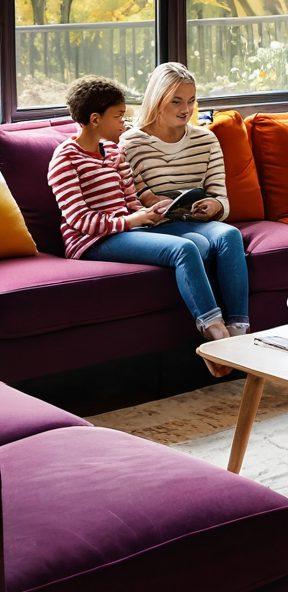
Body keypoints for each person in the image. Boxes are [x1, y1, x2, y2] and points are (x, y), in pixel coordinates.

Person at [48, 73, 246, 377]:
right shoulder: (65, 158)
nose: (124, 125)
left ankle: (238, 331)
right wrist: (133, 220)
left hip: (128, 228)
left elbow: (130, 199)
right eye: (118, 117)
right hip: (90, 242)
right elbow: (79, 220)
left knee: (207, 241)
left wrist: (151, 210)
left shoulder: (113, 151)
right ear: (94, 119)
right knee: (183, 249)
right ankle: (216, 335)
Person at [120, 62, 250, 371]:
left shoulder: (206, 141)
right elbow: (131, 200)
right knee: (197, 246)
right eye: (177, 101)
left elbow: (221, 199)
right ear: (157, 99)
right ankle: (216, 337)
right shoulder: (132, 144)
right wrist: (152, 203)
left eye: (191, 100)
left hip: (199, 221)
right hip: (158, 226)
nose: (186, 108)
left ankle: (240, 334)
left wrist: (214, 207)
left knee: (230, 235)